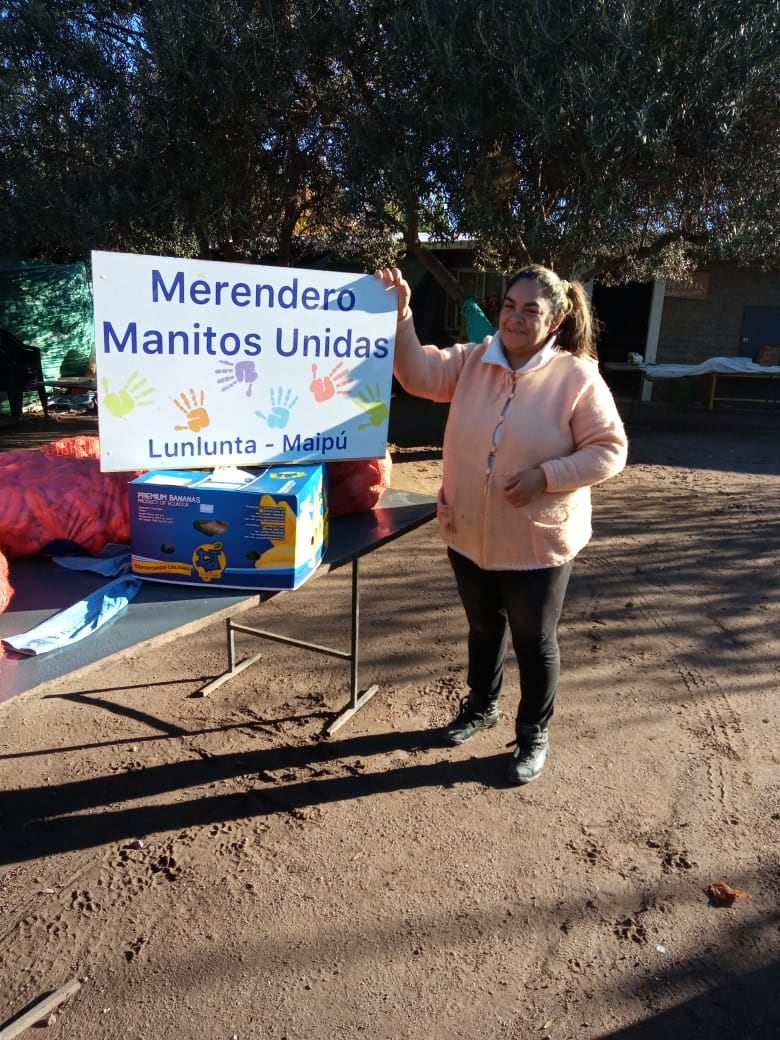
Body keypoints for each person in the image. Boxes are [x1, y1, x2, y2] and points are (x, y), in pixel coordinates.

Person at [375, 263, 628, 784]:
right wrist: (401, 315)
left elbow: (610, 451)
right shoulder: (473, 361)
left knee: (534, 639)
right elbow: (417, 375)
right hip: (468, 530)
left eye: (530, 310)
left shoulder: (576, 377)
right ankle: (481, 706)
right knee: (484, 627)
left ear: (554, 319)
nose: (515, 317)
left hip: (537, 541)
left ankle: (534, 731)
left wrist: (548, 476)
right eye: (510, 306)